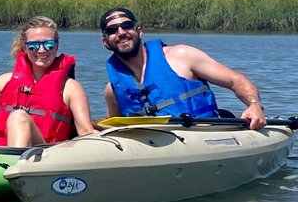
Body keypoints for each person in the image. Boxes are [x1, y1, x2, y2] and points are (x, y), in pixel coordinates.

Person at [0, 16, 94, 150]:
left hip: (44, 153)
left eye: (48, 45)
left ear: (56, 46)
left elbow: (85, 130)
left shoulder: (71, 88)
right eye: (33, 46)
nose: (41, 50)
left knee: (18, 116)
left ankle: (15, 171)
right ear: (25, 47)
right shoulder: (4, 81)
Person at [99, 7, 267, 130]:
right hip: (153, 148)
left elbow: (236, 80)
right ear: (105, 41)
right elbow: (113, 124)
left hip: (204, 137)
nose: (121, 32)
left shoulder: (182, 55)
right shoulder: (112, 90)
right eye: (112, 30)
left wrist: (254, 105)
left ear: (139, 31)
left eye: (127, 26)